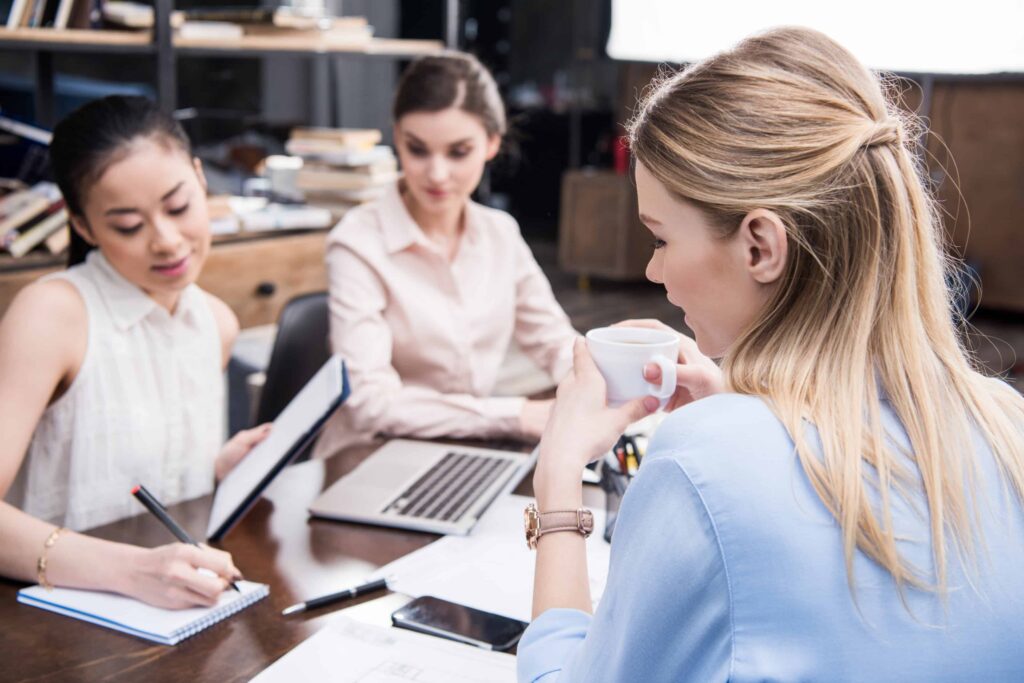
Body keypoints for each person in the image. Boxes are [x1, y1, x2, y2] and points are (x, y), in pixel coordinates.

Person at [519, 27, 1024, 681]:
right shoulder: (1003, 421)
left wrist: (558, 472)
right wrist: (746, 407)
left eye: (662, 238)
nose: (653, 270)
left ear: (760, 245)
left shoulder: (705, 458)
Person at [0, 96, 270, 609]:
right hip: (53, 626)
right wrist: (132, 571)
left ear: (199, 176)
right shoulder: (52, 315)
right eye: (128, 225)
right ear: (83, 227)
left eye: (178, 206)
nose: (167, 241)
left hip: (175, 615)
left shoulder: (215, 321)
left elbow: (129, 481)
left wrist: (213, 470)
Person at [315, 51, 578, 456]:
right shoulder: (357, 243)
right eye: (417, 149)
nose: (436, 174)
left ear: (491, 143)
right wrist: (516, 415)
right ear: (397, 136)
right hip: (367, 458)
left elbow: (555, 342)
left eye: (458, 152)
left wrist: (600, 384)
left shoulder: (499, 234)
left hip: (467, 451)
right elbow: (370, 403)